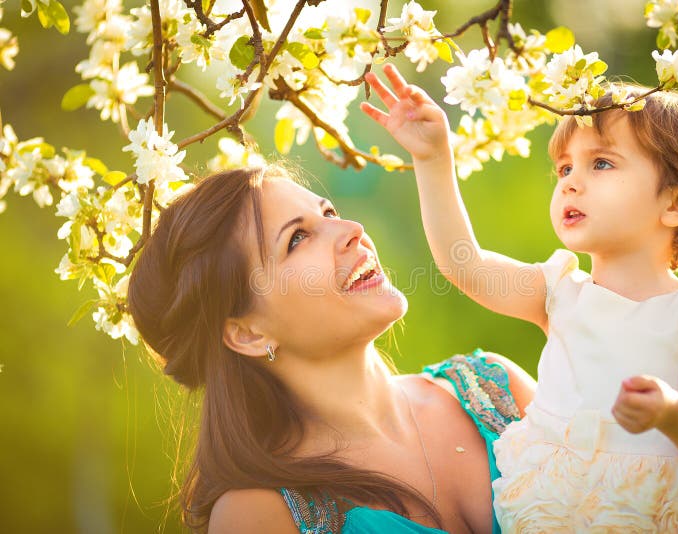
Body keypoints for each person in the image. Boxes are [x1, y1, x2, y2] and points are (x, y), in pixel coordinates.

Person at [361, 64, 678, 531]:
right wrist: (432, 159)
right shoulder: (559, 293)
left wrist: (672, 413)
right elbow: (464, 265)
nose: (570, 181)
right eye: (565, 167)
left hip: (654, 514)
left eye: (602, 163)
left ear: (675, 204)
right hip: (554, 510)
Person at [126, 164, 537, 533]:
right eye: (298, 238)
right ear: (248, 333)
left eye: (328, 213)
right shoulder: (256, 516)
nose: (351, 230)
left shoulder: (494, 386)